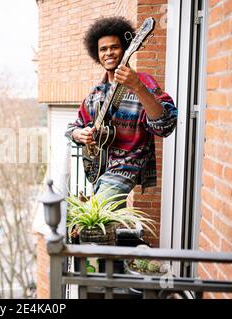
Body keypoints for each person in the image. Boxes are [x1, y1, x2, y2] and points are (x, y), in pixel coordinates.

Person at [66, 16, 177, 201]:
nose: (108, 52)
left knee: (96, 216)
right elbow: (72, 127)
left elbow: (166, 125)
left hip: (128, 165)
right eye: (103, 49)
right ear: (97, 54)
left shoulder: (143, 82)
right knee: (98, 222)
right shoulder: (95, 94)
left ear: (126, 49)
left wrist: (138, 87)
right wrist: (79, 134)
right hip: (100, 166)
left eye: (114, 47)